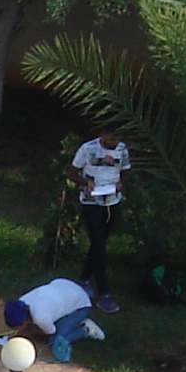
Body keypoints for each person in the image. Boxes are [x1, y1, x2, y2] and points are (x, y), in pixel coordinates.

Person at [68, 129, 131, 309]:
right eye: (111, 137)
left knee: (99, 243)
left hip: (112, 202)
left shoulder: (121, 149)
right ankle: (104, 293)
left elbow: (126, 172)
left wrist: (121, 183)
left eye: (117, 138)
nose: (114, 141)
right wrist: (85, 183)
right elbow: (71, 173)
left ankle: (84, 279)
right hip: (91, 202)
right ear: (103, 134)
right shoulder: (88, 149)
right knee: (99, 245)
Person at [2, 276, 107, 363]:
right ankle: (71, 322)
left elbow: (50, 332)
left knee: (56, 339)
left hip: (81, 305)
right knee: (52, 324)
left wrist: (31, 332)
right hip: (64, 286)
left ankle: (86, 330)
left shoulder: (41, 317)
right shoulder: (21, 302)